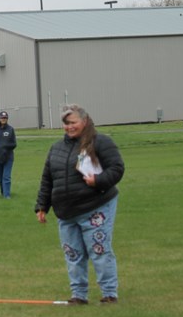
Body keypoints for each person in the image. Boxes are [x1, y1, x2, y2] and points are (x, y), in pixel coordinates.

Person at [35, 104, 125, 305]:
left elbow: (117, 168)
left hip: (95, 207)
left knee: (99, 250)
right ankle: (78, 295)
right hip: (66, 213)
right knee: (73, 254)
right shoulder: (56, 148)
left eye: (73, 123)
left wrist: (98, 180)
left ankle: (109, 293)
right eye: (66, 124)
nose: (69, 127)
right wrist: (42, 206)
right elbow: (47, 179)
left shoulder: (100, 142)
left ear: (84, 122)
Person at [0, 111, 17, 199]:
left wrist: (4, 147)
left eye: (5, 118)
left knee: (6, 177)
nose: (3, 119)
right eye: (2, 118)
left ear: (7, 119)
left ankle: (7, 195)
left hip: (8, 157)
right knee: (0, 178)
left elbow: (14, 144)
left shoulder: (10, 129)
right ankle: (2, 191)